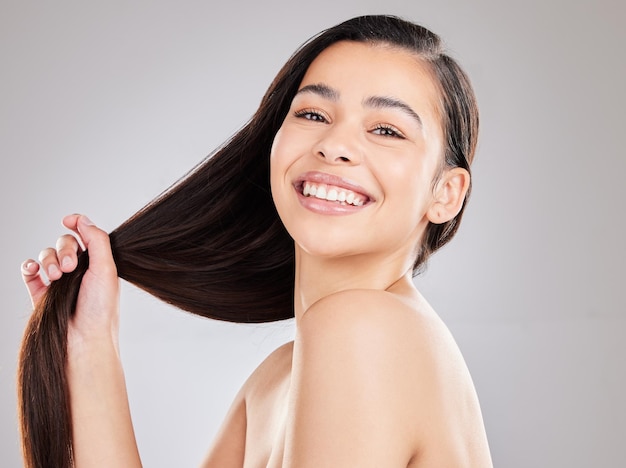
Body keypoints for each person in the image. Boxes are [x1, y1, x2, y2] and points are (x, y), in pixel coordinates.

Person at [18, 14, 492, 468]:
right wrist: (86, 342)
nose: (334, 145)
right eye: (312, 113)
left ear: (446, 194)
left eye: (386, 129)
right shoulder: (277, 378)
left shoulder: (365, 329)